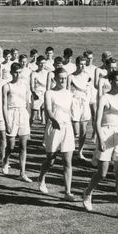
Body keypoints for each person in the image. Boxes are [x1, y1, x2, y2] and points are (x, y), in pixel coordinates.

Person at [83, 70, 118, 221]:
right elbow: (97, 122)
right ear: (111, 81)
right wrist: (101, 139)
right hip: (105, 134)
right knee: (103, 173)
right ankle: (87, 192)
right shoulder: (104, 97)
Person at [38, 67, 76, 201]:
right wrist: (53, 120)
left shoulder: (70, 93)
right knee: (51, 160)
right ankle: (41, 178)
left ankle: (68, 192)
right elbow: (48, 109)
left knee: (67, 161)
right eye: (61, 78)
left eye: (65, 78)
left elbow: (72, 112)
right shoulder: (49, 93)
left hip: (67, 128)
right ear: (55, 79)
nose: (63, 81)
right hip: (54, 128)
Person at [2, 62, 32, 182]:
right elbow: (4, 105)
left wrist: (28, 118)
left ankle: (22, 173)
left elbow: (28, 103)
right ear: (11, 73)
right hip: (11, 114)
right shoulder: (7, 86)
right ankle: (6, 160)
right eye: (15, 72)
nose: (17, 75)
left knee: (23, 146)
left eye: (19, 72)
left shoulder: (25, 85)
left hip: (23, 114)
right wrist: (7, 122)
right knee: (11, 146)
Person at [68, 56, 91, 160]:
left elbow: (89, 89)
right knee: (75, 131)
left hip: (84, 103)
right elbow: (67, 91)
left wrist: (87, 100)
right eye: (81, 64)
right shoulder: (71, 76)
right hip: (74, 102)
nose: (83, 66)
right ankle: (69, 150)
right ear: (76, 64)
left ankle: (80, 152)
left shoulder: (87, 76)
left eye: (84, 64)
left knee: (83, 130)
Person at [83, 50, 97, 140]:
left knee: (95, 115)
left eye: (91, 58)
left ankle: (94, 133)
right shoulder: (82, 68)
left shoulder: (96, 68)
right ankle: (82, 134)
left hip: (94, 94)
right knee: (84, 116)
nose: (90, 60)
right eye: (88, 58)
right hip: (85, 94)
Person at [30, 55, 48, 125]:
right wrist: (34, 94)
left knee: (46, 116)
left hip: (45, 94)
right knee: (33, 117)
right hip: (37, 94)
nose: (42, 65)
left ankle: (46, 134)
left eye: (44, 63)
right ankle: (28, 129)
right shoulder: (33, 73)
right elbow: (31, 86)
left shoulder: (47, 72)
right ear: (37, 63)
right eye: (41, 63)